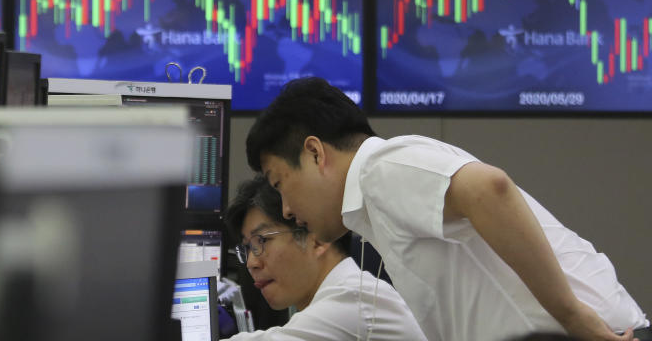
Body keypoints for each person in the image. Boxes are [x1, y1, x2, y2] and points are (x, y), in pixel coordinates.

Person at [246, 77, 649, 341]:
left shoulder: (380, 169)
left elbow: (490, 189)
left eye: (280, 184)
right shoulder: (376, 197)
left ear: (315, 153)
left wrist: (575, 318)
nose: (287, 209)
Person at [223, 175, 427, 340]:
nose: (251, 263)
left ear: (318, 239)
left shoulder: (353, 297)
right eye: (247, 248)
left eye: (262, 241)